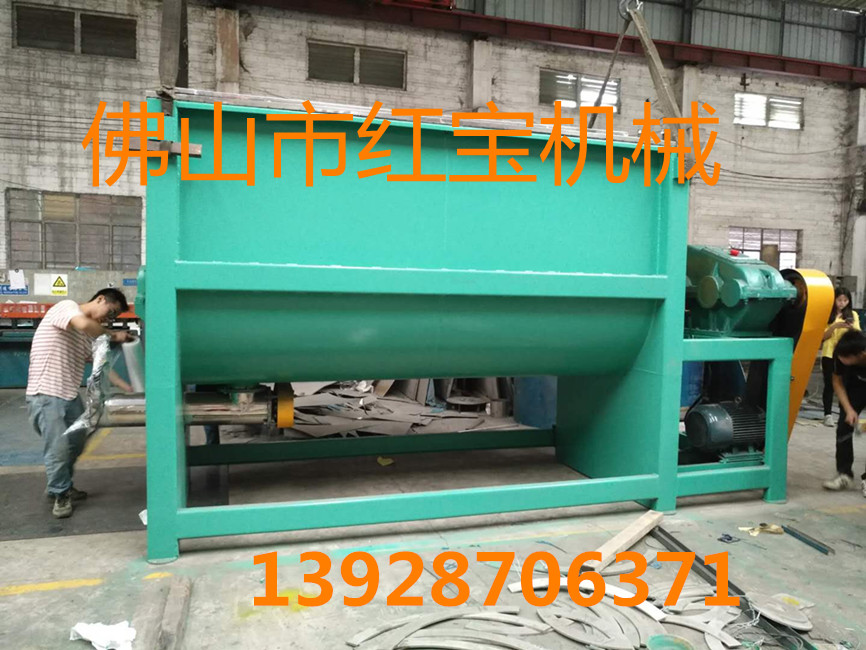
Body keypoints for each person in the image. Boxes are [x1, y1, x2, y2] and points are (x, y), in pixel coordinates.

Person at [26, 289, 135, 518]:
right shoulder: (67, 307)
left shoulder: (85, 337)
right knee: (58, 448)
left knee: (76, 442)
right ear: (100, 299)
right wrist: (114, 335)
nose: (108, 319)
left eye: (113, 317)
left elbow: (101, 364)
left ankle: (60, 484)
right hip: (46, 394)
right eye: (110, 312)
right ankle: (60, 493)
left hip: (68, 395)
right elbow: (85, 324)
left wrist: (127, 387)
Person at [822, 329, 866, 496]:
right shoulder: (841, 353)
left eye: (846, 358)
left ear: (861, 354)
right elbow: (837, 381)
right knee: (844, 427)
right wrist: (849, 410)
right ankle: (844, 474)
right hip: (854, 387)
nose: (841, 359)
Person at [820, 287, 860, 427]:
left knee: (846, 384)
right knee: (829, 384)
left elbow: (858, 336)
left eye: (845, 300)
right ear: (834, 300)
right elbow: (823, 336)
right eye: (839, 300)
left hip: (846, 355)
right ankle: (827, 414)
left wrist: (850, 327)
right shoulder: (828, 315)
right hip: (829, 354)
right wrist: (835, 326)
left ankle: (846, 413)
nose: (842, 303)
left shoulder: (853, 315)